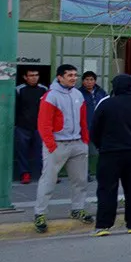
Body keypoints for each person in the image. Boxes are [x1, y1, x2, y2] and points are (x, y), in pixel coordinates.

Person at [90, 74, 131, 236]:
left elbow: (95, 130)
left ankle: (103, 225)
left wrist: (101, 146)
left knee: (106, 189)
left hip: (110, 153)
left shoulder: (106, 105)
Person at [32, 64, 92, 234]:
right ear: (59, 77)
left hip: (77, 144)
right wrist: (51, 145)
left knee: (80, 180)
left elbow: (83, 119)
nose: (74, 77)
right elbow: (43, 123)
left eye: (75, 74)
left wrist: (84, 140)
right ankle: (40, 213)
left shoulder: (78, 94)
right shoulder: (50, 96)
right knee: (48, 180)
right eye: (69, 75)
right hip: (57, 145)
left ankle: (77, 208)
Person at [13, 68, 47, 184]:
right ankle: (25, 174)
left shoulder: (44, 89)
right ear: (25, 77)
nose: (34, 77)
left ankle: (45, 173)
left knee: (43, 151)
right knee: (22, 151)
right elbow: (14, 108)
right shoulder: (19, 90)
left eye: (36, 75)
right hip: (22, 127)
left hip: (39, 127)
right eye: (31, 75)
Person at [79, 71, 107, 182]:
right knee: (84, 153)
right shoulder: (78, 93)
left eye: (91, 79)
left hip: (99, 127)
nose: (89, 82)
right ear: (83, 81)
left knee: (98, 152)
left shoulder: (101, 93)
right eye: (87, 79)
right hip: (84, 127)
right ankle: (85, 174)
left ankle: (100, 172)